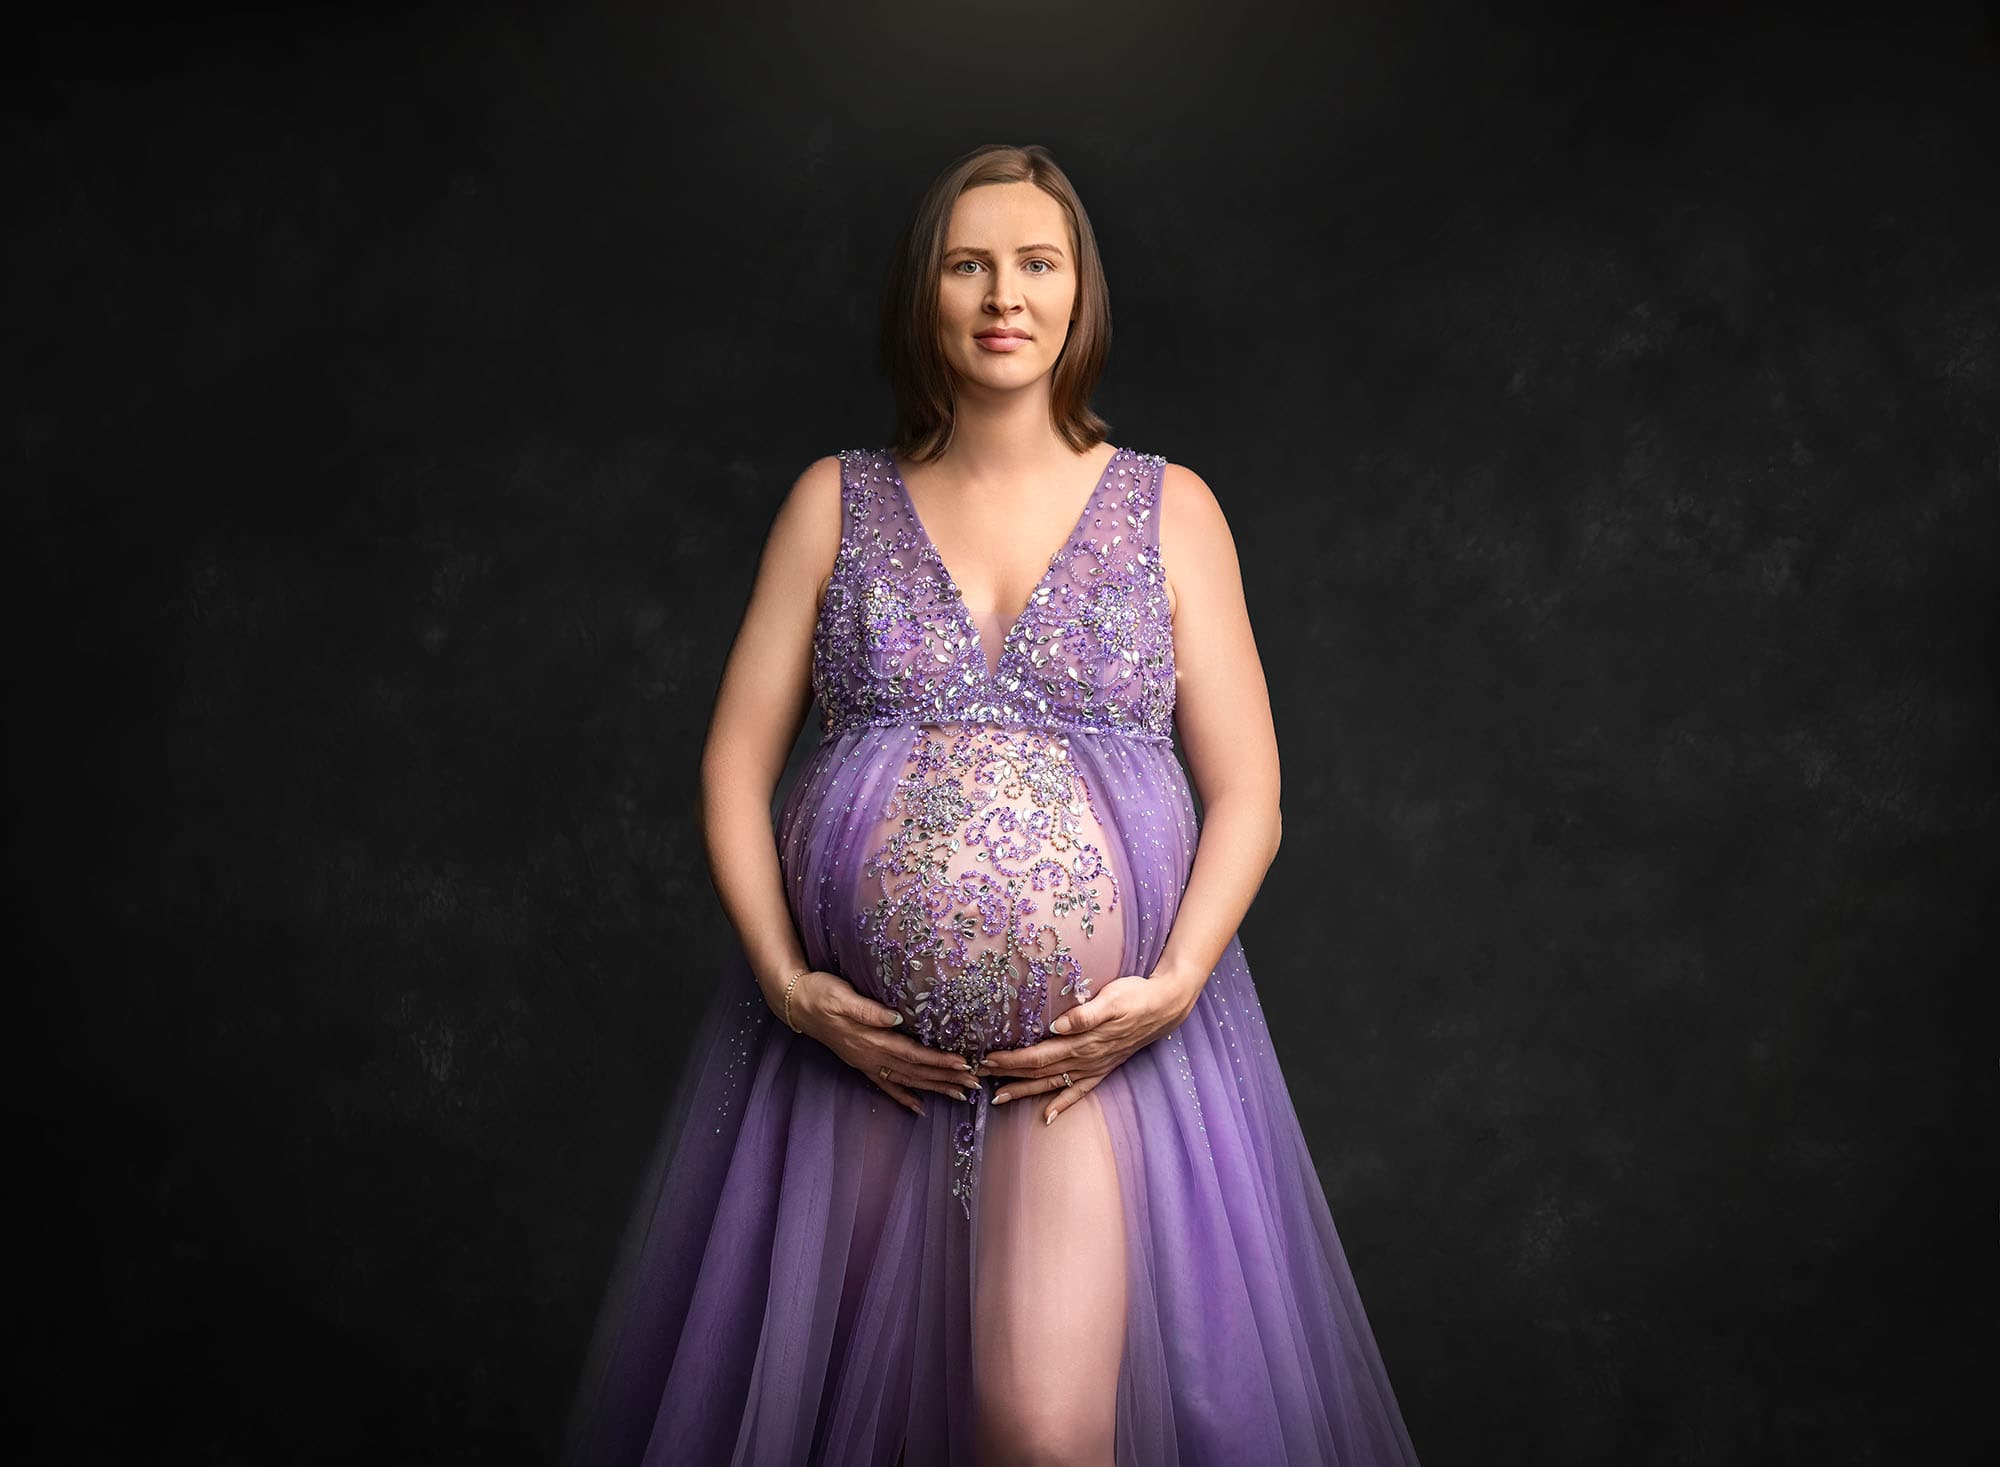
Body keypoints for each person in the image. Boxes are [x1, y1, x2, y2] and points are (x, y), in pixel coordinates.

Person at [563, 143, 1423, 1467]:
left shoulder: (1171, 508)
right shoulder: (832, 502)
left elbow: (1253, 789)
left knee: (1041, 1428)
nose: (1001, 295)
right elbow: (732, 767)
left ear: (1080, 296)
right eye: (969, 265)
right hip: (856, 1059)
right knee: (824, 1429)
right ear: (929, 295)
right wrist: (792, 988)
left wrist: (1177, 981)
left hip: (1085, 1061)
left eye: (1036, 263)